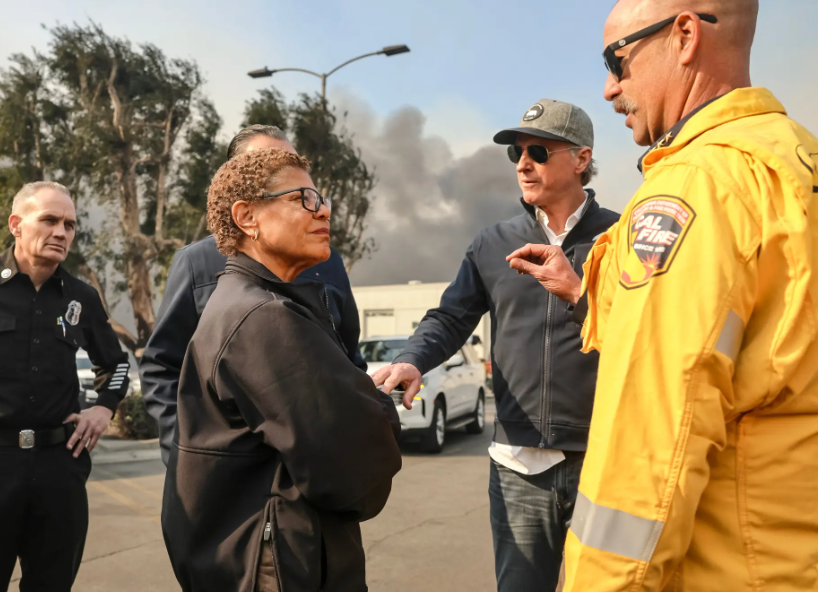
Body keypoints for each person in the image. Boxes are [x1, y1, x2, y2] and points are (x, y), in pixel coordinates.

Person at [508, 1, 818, 590]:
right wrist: (588, 287)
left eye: (616, 60)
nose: (608, 88)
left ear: (683, 36)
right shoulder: (794, 160)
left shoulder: (694, 189)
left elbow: (652, 449)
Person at [372, 99, 619, 591]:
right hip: (518, 467)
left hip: (608, 459)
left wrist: (581, 293)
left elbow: (650, 332)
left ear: (581, 158)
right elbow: (449, 317)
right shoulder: (491, 243)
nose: (523, 163)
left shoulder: (622, 234)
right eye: (516, 154)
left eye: (538, 151)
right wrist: (411, 359)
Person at [161, 147, 402, 592]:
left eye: (322, 198)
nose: (323, 209)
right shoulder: (263, 317)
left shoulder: (244, 303)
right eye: (302, 199)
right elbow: (356, 471)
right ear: (247, 216)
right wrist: (380, 406)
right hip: (281, 569)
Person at [140, 124, 366, 465]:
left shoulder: (329, 262)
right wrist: (189, 456)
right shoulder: (196, 262)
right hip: (229, 482)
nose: (320, 210)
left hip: (312, 476)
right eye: (267, 163)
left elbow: (350, 358)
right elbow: (162, 368)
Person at [0, 182, 130, 591]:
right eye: (50, 220)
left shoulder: (81, 297)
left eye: (70, 225)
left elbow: (116, 363)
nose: (61, 232)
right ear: (16, 225)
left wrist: (103, 407)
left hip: (59, 466)